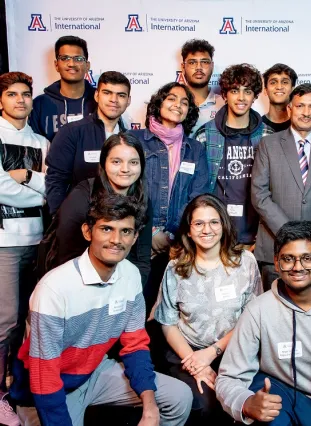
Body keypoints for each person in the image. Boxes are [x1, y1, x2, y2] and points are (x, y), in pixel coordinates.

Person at [10, 194, 192, 426]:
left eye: (125, 231)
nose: (116, 239)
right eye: (106, 229)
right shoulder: (54, 289)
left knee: (179, 397)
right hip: (45, 390)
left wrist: (150, 406)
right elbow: (44, 377)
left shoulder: (130, 275)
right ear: (88, 232)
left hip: (93, 372)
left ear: (135, 237)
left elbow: (135, 345)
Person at [216, 220, 311, 425]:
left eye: (307, 258)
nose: (298, 267)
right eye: (288, 259)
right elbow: (228, 378)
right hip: (279, 398)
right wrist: (246, 403)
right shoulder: (258, 310)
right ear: (276, 261)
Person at [154, 194, 261, 424]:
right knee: (204, 404)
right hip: (186, 351)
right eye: (199, 223)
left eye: (214, 222)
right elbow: (168, 323)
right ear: (189, 231)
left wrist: (213, 352)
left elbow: (251, 319)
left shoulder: (246, 262)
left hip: (233, 350)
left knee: (240, 402)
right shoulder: (176, 268)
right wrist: (195, 364)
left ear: (223, 225)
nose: (207, 230)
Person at [252, 83, 311, 290]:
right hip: (275, 246)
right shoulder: (268, 144)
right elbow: (259, 194)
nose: (306, 113)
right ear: (289, 109)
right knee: (275, 313)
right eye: (300, 106)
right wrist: (289, 233)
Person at [130, 81, 208, 312]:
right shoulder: (135, 140)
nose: (178, 105)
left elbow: (199, 195)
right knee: (135, 306)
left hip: (177, 245)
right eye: (172, 98)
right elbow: (127, 189)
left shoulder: (194, 149)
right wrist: (149, 231)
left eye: (184, 102)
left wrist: (173, 233)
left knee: (167, 309)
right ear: (159, 103)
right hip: (137, 240)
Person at [0, 72, 48, 426]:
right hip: (6, 242)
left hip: (39, 240)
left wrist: (29, 179)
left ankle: (20, 389)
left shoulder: (42, 142)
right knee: (6, 321)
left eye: (26, 94)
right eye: (12, 94)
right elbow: (0, 189)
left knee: (33, 321)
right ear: (1, 100)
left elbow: (52, 188)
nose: (20, 100)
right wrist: (38, 190)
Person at [44, 133, 151, 285]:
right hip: (78, 281)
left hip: (121, 279)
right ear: (104, 164)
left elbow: (142, 257)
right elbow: (66, 255)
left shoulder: (142, 198)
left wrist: (134, 292)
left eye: (133, 162)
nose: (125, 169)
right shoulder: (82, 196)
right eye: (116, 161)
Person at [195, 63, 272, 249]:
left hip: (255, 236)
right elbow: (197, 188)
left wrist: (263, 238)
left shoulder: (267, 135)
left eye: (247, 91)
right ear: (225, 94)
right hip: (215, 235)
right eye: (235, 90)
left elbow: (274, 191)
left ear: (255, 96)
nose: (241, 97)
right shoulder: (205, 134)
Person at [45, 71, 131, 215]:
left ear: (128, 101)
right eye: (107, 93)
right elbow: (56, 181)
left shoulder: (130, 139)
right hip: (79, 220)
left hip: (118, 222)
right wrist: (61, 221)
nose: (114, 100)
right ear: (97, 95)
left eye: (121, 95)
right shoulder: (71, 132)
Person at [29, 36, 97, 142]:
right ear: (56, 65)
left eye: (78, 59)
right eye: (65, 58)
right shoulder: (40, 104)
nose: (71, 64)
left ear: (87, 65)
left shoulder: (100, 101)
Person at [180, 39, 225, 137]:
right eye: (192, 62)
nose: (198, 67)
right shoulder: (172, 105)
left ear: (212, 66)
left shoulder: (225, 105)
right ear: (183, 67)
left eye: (204, 62)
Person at [262, 63, 298, 133]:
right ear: (266, 90)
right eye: (273, 82)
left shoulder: (301, 125)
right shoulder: (256, 127)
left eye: (284, 82)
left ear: (293, 90)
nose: (279, 87)